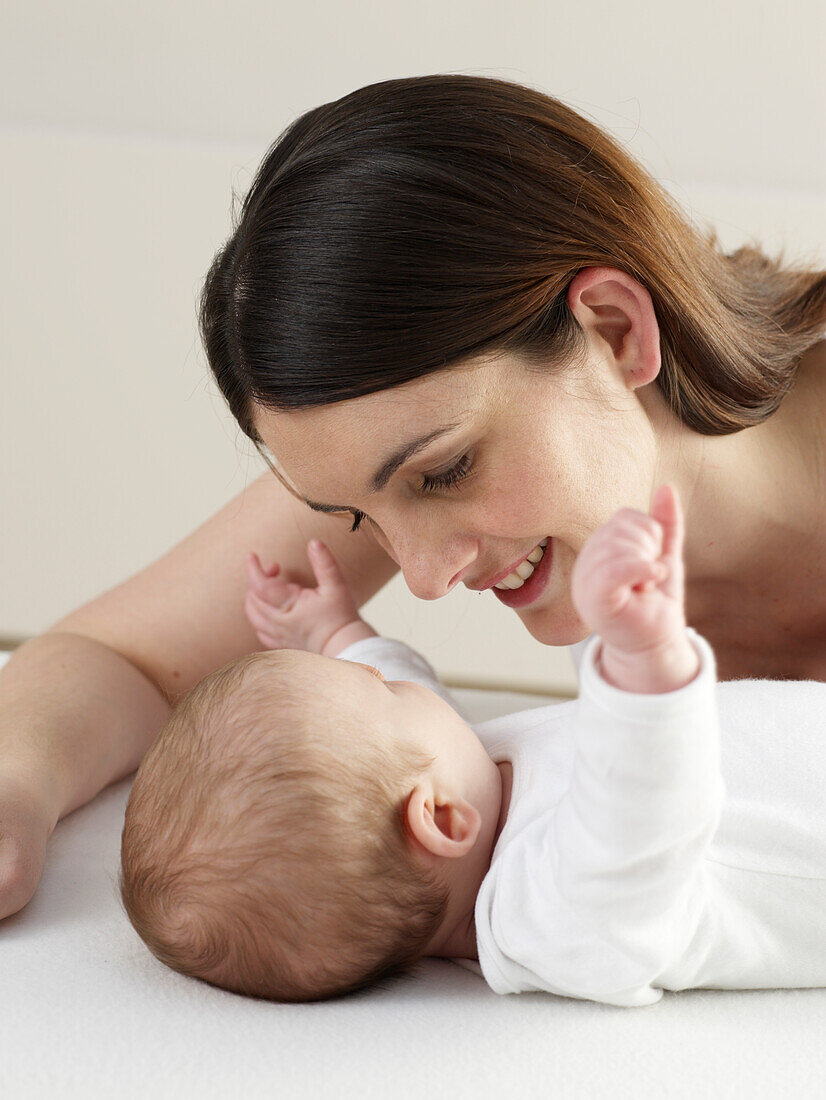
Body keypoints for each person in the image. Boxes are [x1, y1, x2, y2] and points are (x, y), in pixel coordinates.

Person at [2, 73, 826, 922]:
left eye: (447, 473)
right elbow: (123, 658)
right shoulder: (406, 440)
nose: (425, 579)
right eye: (357, 518)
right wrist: (14, 786)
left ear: (616, 329)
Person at [119, 485, 826, 1006]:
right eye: (380, 689)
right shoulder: (548, 919)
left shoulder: (468, 793)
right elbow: (644, 815)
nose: (392, 678)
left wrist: (335, 632)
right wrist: (642, 660)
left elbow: (395, 721)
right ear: (439, 819)